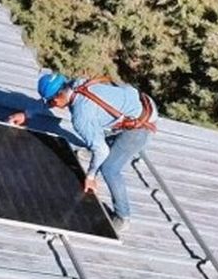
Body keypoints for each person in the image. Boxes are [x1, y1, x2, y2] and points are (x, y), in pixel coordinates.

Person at [8, 73, 159, 232]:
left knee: (108, 168)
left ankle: (123, 216)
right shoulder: (76, 83)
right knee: (96, 137)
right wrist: (26, 114)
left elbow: (102, 150)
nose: (50, 104)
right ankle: (95, 144)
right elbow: (53, 100)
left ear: (59, 98)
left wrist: (91, 176)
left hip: (141, 127)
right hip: (142, 104)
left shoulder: (81, 117)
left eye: (51, 101)